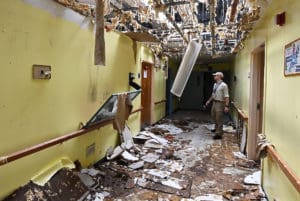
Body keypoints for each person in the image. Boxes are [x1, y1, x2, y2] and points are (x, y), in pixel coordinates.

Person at [205, 72, 230, 140]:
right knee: (213, 115)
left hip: (220, 103)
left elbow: (227, 96)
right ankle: (216, 128)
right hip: (214, 102)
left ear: (219, 76)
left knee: (219, 118)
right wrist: (209, 101)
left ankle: (219, 134)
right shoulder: (215, 84)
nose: (214, 76)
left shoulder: (224, 85)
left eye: (215, 75)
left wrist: (226, 106)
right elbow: (213, 94)